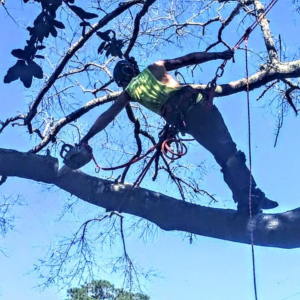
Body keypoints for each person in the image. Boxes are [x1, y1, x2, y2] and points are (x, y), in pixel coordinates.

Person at [80, 50, 278, 214]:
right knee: (228, 153)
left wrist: (86, 138)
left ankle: (247, 199)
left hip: (186, 121)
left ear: (123, 78)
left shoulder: (129, 93)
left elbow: (107, 115)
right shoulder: (153, 68)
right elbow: (188, 59)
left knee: (223, 156)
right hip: (199, 108)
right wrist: (219, 55)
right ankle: (249, 196)